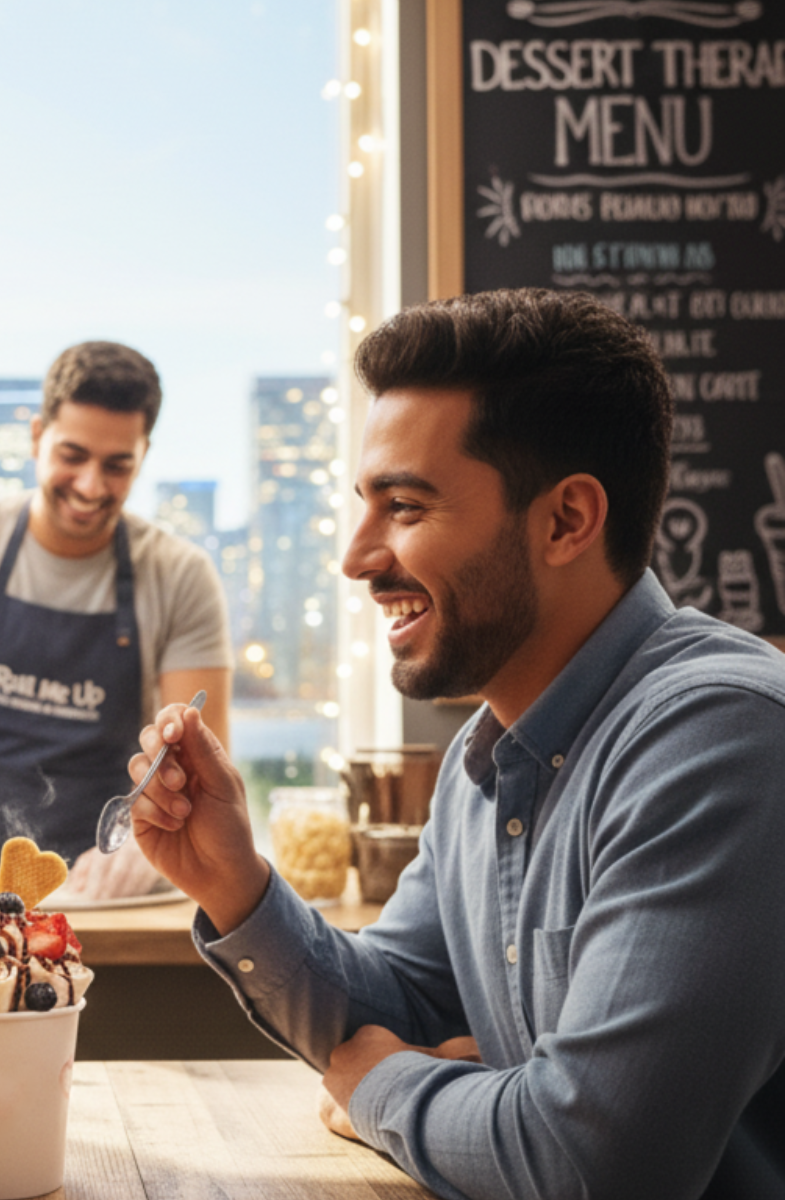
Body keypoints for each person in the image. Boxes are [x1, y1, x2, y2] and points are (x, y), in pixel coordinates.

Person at [126, 289, 785, 1199]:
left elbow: (593, 1163)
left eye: (403, 506)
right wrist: (233, 883)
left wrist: (377, 1085)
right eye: (364, 505)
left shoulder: (723, 738)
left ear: (566, 521)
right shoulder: (484, 757)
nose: (356, 557)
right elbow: (398, 1001)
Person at [0, 340, 233, 898]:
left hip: (107, 888)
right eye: (72, 455)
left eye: (117, 465)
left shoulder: (181, 576)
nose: (90, 485)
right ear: (37, 437)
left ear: (144, 454)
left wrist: (149, 844)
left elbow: (200, 757)